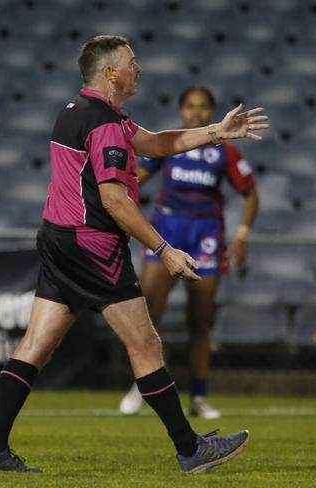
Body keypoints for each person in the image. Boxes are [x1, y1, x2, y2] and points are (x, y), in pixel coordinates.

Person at [0, 36, 268, 474]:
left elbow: (154, 144)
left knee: (35, 345)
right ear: (111, 73)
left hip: (57, 238)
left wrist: (216, 131)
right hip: (94, 244)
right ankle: (190, 450)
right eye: (132, 62)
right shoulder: (105, 122)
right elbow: (115, 200)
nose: (139, 68)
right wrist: (163, 249)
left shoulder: (78, 110)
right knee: (145, 343)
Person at [119, 86, 259, 419]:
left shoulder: (224, 151)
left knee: (199, 321)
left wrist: (241, 234)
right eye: (190, 106)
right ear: (181, 110)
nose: (196, 113)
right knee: (149, 313)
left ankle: (198, 396)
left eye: (203, 107)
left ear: (211, 112)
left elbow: (251, 194)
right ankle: (140, 386)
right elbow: (135, 176)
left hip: (206, 234)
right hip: (166, 229)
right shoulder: (170, 143)